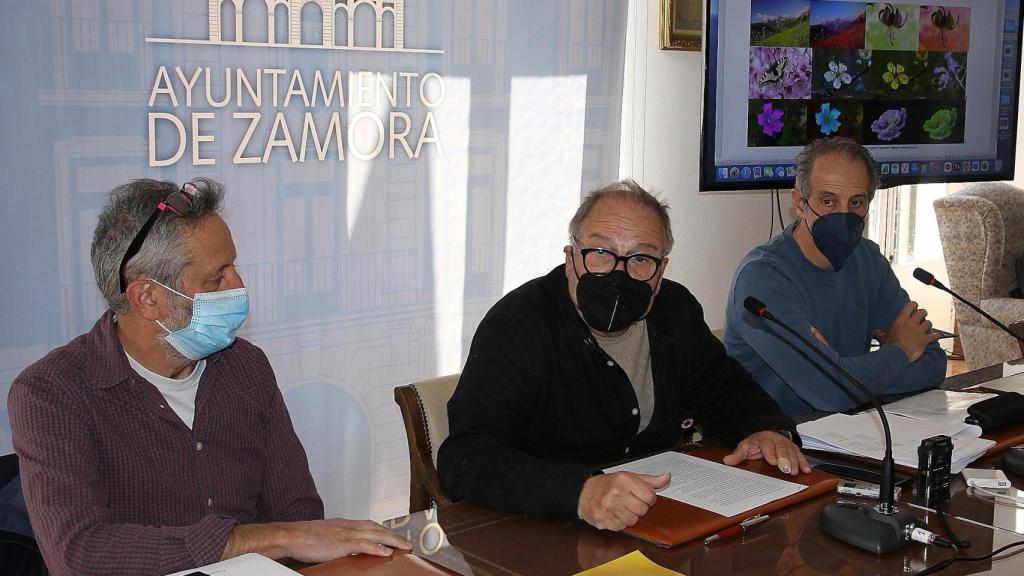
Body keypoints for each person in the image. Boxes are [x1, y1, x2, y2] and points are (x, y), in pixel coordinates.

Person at [8, 179, 410, 576]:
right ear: (148, 298)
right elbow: (80, 554)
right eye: (217, 277)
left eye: (234, 266)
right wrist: (268, 539)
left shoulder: (245, 366)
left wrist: (291, 538)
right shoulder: (51, 393)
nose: (238, 285)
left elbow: (298, 514)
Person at [437, 180, 810, 532]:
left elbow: (726, 391)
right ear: (571, 258)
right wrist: (579, 492)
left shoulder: (673, 309)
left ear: (660, 272)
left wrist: (765, 429)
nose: (619, 273)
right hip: (543, 528)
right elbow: (466, 459)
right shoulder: (518, 325)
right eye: (600, 253)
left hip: (655, 519)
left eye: (640, 259)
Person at [724, 138, 946, 417]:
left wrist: (846, 371)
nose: (843, 215)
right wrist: (900, 350)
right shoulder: (762, 277)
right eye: (828, 201)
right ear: (800, 204)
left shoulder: (868, 260)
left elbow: (934, 363)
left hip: (848, 431)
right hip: (770, 443)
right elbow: (834, 390)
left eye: (856, 202)